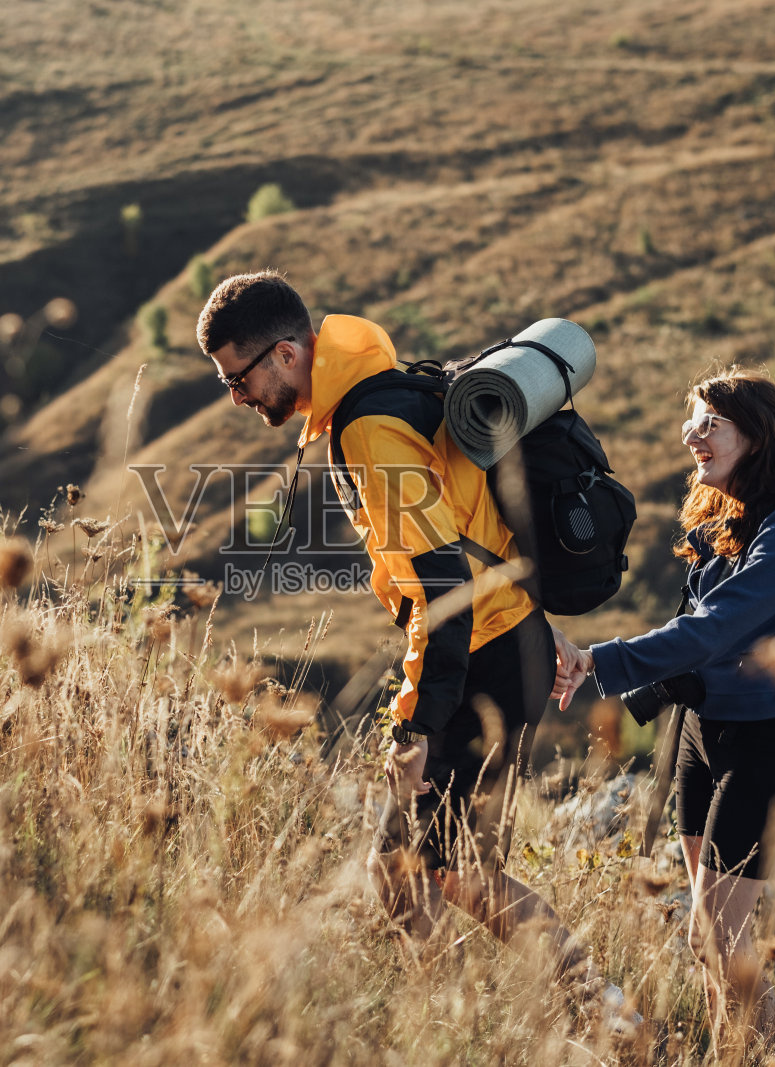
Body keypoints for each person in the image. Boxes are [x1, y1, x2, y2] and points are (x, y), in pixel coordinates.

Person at [195, 270, 604, 987]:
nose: (237, 397)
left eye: (239, 378)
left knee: (444, 866)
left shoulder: (370, 425)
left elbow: (441, 586)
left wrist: (414, 727)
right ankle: (440, 1021)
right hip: (503, 639)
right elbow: (473, 527)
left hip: (482, 656)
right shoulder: (383, 391)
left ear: (287, 354)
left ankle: (608, 1013)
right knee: (408, 864)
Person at [570, 368, 775, 1054]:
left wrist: (600, 660)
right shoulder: (726, 521)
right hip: (702, 732)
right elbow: (697, 625)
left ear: (759, 435)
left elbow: (716, 627)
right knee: (705, 937)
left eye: (710, 423)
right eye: (693, 420)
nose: (692, 435)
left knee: (725, 939)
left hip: (764, 740)